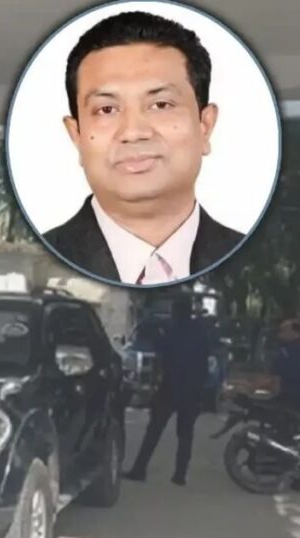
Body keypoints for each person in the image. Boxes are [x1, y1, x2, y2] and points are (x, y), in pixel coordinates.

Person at [43, 11, 244, 285]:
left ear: (205, 125)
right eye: (107, 109)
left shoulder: (259, 261)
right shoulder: (39, 259)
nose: (133, 132)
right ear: (76, 135)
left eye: (161, 105)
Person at [125, 296, 210, 485]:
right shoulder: (200, 332)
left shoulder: (171, 330)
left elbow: (159, 348)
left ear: (175, 311)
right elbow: (205, 359)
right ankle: (180, 475)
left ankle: (140, 469)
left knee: (154, 429)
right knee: (185, 434)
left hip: (171, 386)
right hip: (192, 389)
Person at [271, 319, 300, 407]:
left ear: (294, 332)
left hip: (289, 397)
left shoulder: (285, 351)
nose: (280, 335)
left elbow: (277, 377)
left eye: (283, 331)